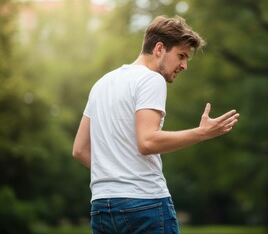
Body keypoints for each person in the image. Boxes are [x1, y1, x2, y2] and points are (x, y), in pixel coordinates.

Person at [72, 15, 240, 234]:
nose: (184, 65)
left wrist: (117, 172)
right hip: (144, 204)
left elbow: (79, 150)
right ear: (159, 48)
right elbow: (147, 141)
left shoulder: (102, 84)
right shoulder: (151, 79)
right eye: (181, 55)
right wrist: (202, 133)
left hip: (102, 208)